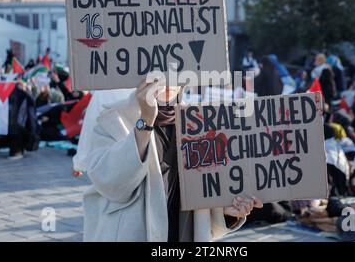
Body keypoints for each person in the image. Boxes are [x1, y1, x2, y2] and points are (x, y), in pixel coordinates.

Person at [75, 80, 263, 242]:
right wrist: (145, 121)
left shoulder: (203, 123)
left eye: (175, 71)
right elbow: (111, 183)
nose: (166, 80)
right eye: (158, 71)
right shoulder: (114, 118)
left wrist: (226, 212)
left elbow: (203, 199)